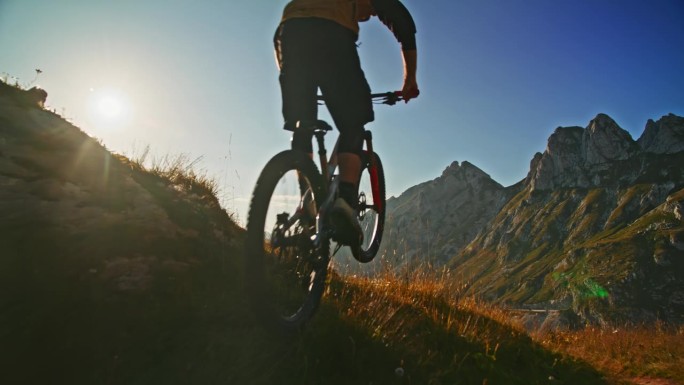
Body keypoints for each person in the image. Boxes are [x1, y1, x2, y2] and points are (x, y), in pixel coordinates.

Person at [274, 0, 419, 255]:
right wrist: (410, 81)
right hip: (332, 35)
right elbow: (403, 23)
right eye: (370, 12)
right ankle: (345, 199)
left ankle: (307, 201)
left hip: (290, 32)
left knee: (302, 125)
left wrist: (297, 79)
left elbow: (282, 53)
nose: (369, 16)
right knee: (353, 121)